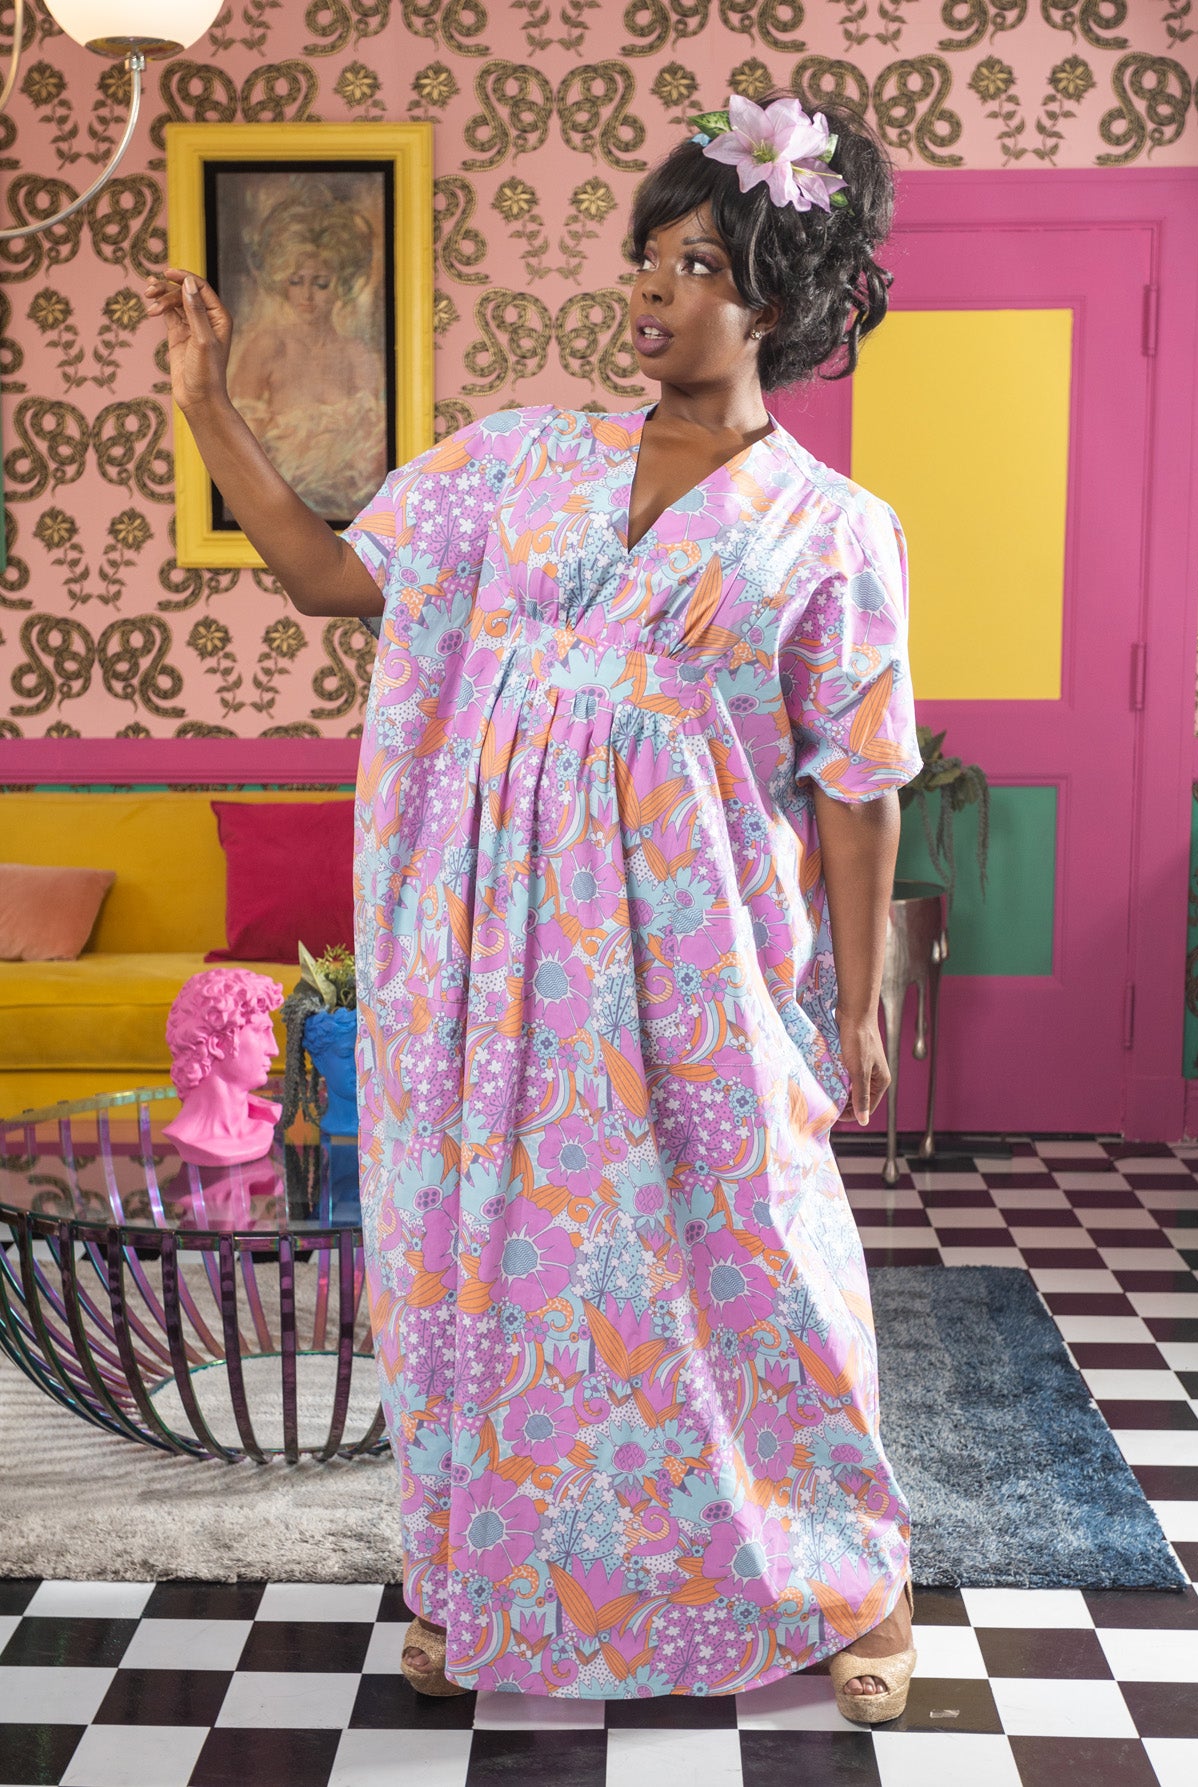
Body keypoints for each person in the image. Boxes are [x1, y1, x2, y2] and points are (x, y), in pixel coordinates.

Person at [145, 89, 922, 1721]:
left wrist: (859, 997)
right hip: (494, 955)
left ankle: (853, 1576)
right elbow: (327, 577)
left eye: (692, 262)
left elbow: (858, 781)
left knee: (762, 1251)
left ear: (772, 294)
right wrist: (207, 407)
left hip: (703, 959)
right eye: (642, 258)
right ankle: (488, 1577)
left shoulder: (836, 533)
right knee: (495, 1262)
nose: (647, 291)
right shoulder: (518, 462)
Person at [225, 188, 387, 519]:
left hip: (350, 514)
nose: (307, 296)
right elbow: (239, 446)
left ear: (341, 285)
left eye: (321, 283)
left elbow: (373, 460)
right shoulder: (267, 347)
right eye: (297, 281)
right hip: (277, 513)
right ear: (282, 281)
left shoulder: (359, 356)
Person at [162, 968, 283, 1166]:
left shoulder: (264, 1125)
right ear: (217, 1043)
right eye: (261, 1031)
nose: (274, 1049)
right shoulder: (189, 1137)